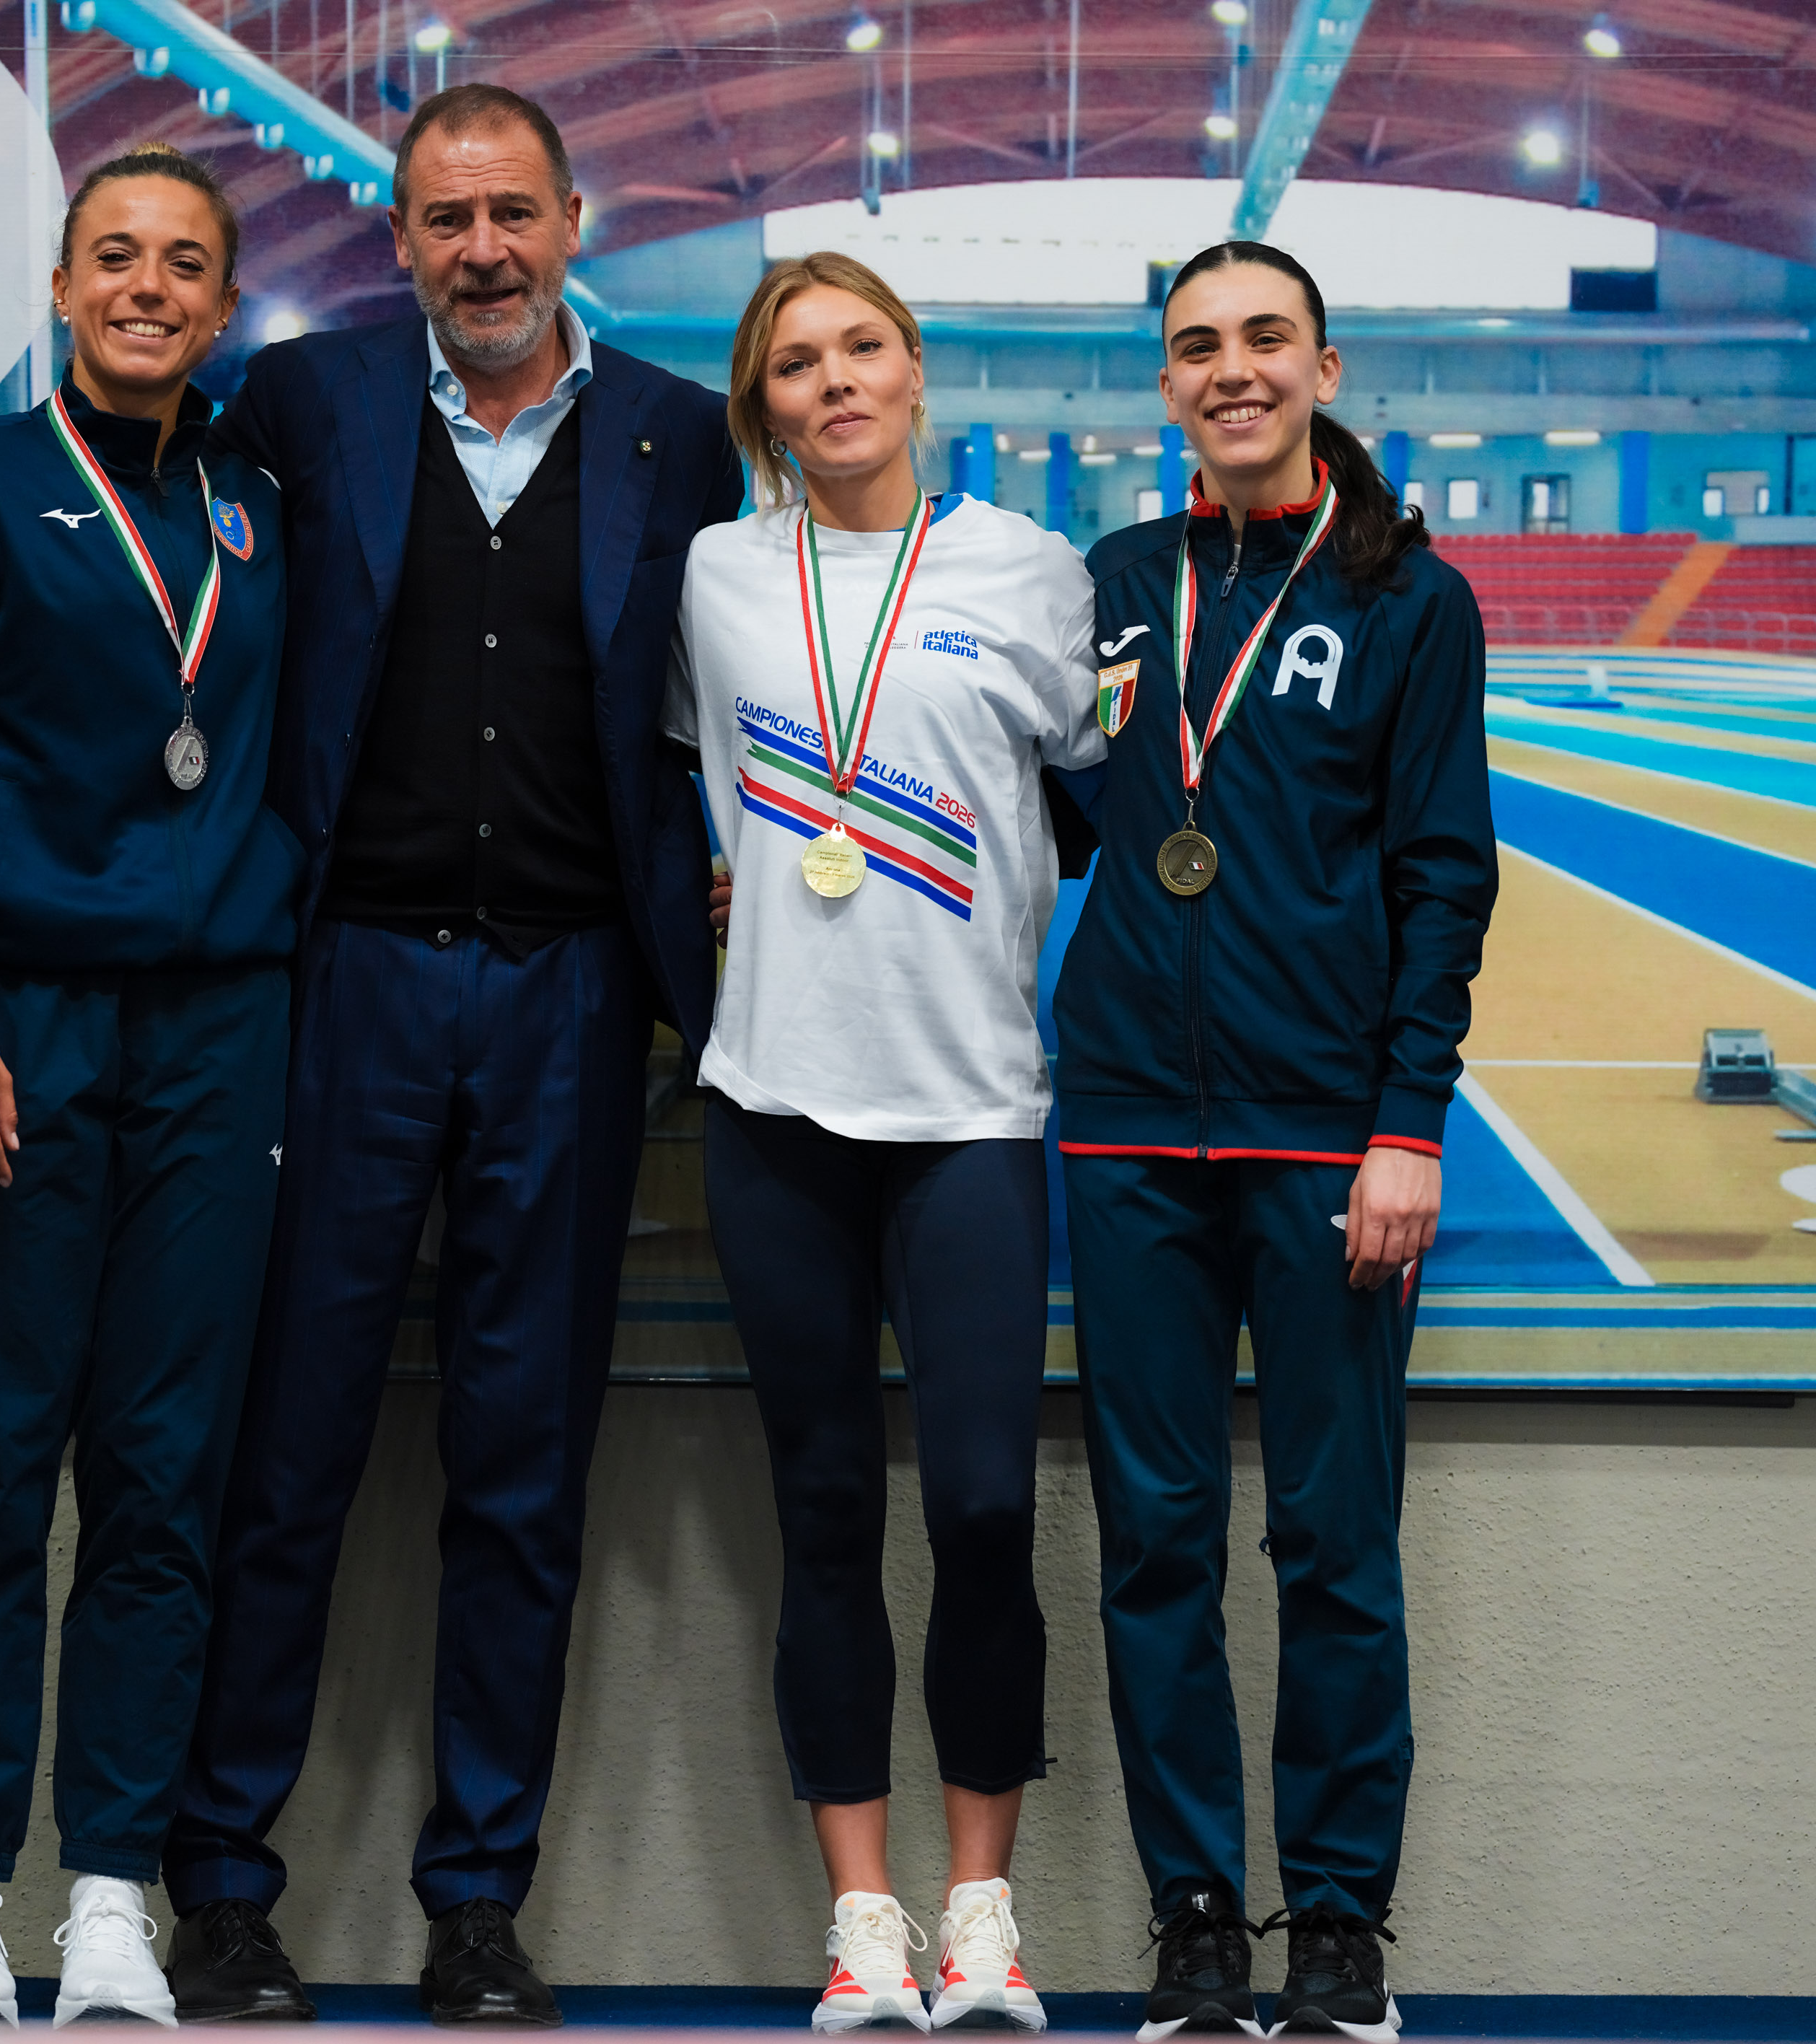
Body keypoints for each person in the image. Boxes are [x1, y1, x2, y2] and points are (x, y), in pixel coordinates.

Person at [0, 86, 739, 2024]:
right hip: (337, 991)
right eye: (445, 220)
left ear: (573, 220)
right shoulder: (307, 408)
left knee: (520, 1472)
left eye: (513, 214)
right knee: (271, 1459)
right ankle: (211, 1887)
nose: (483, 251)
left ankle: (477, 1901)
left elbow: (747, 674)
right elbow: (94, 473)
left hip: (571, 997)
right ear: (398, 241)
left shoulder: (680, 435)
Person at [0, 142, 301, 2027]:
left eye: (184, 263)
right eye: (114, 254)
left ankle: (110, 1889)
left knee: (164, 1479)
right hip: (17, 1029)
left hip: (219, 1036)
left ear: (223, 305)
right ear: (58, 286)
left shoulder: (259, 499)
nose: (147, 287)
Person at [1048, 242, 1495, 2043]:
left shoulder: (1409, 598)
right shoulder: (1112, 585)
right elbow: (1050, 817)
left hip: (1325, 1143)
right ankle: (1191, 1917)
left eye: (1262, 339)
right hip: (1126, 1135)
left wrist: (1407, 1123)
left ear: (1322, 365)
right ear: (1165, 386)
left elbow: (1442, 875)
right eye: (1196, 347)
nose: (1230, 369)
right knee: (1154, 1541)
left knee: (1332, 1544)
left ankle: (1337, 1922)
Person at [666, 253, 1099, 2036]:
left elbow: (1084, 792)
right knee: (825, 1509)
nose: (833, 382)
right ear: (761, 405)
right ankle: (863, 1922)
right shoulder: (714, 574)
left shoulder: (1029, 569)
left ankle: (981, 1907)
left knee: (984, 1509)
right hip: (773, 1102)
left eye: (861, 349)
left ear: (914, 371)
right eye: (795, 363)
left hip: (971, 1105)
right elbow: (685, 788)